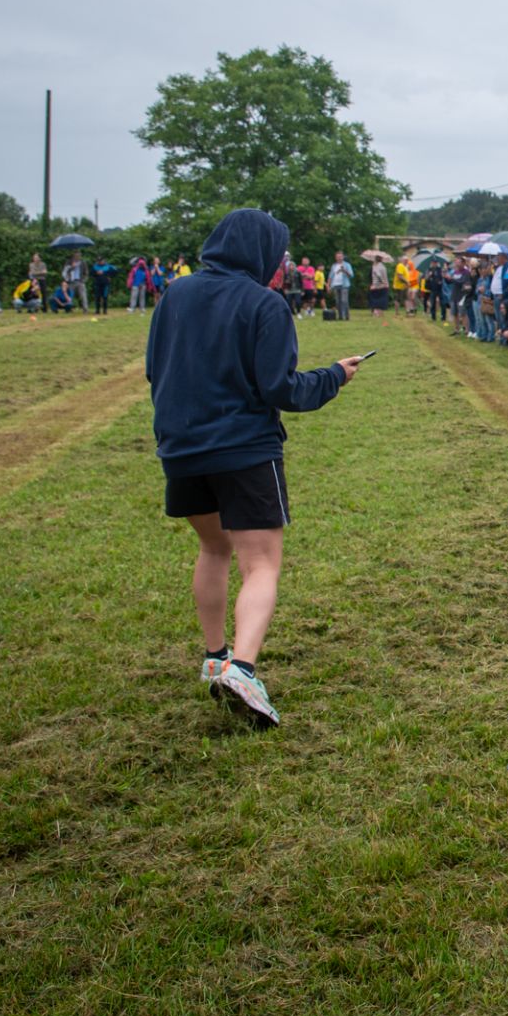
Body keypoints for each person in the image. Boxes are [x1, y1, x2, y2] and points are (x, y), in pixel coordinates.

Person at [147, 208, 365, 728]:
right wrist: (334, 376)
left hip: (181, 449)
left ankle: (215, 656)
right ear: (262, 253)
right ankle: (241, 670)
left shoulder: (176, 293)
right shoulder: (265, 303)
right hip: (244, 450)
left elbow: (155, 370)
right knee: (261, 564)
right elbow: (280, 389)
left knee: (213, 548)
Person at [328, 251, 354, 321]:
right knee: (338, 301)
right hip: (335, 285)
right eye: (337, 257)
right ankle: (340, 316)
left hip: (344, 285)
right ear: (335, 258)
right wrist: (328, 285)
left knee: (344, 301)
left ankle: (346, 316)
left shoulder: (347, 265)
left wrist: (344, 271)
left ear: (343, 257)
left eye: (340, 257)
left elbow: (351, 275)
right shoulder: (334, 266)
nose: (339, 258)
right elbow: (330, 276)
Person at [368, 255, 390, 322]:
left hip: (378, 286)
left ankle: (377, 314)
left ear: (376, 259)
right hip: (379, 286)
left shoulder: (378, 267)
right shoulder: (380, 266)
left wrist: (378, 285)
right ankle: (378, 314)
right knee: (379, 302)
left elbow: (380, 276)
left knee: (376, 301)